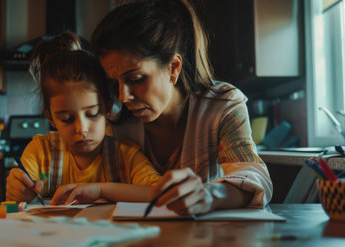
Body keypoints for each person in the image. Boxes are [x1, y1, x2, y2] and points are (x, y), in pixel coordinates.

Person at [91, 0, 273, 215]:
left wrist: (210, 194)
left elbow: (253, 176)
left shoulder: (221, 106)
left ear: (173, 67)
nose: (123, 96)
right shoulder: (114, 123)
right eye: (114, 83)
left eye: (137, 78)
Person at [5, 32, 161, 205]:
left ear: (108, 107)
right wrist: (18, 191)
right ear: (50, 117)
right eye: (66, 118)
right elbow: (17, 198)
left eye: (92, 114)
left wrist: (101, 190)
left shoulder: (126, 156)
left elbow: (158, 194)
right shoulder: (41, 152)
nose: (81, 129)